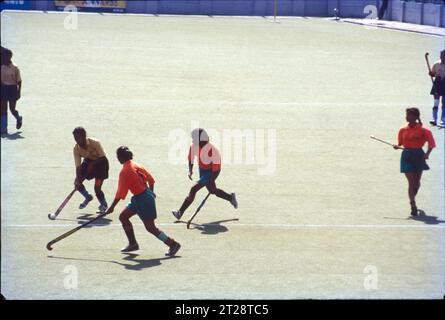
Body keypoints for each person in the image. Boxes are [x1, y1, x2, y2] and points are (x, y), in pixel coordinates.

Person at [105, 146, 181, 255]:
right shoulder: (137, 165)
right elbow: (151, 180)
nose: (117, 158)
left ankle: (173, 244)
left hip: (142, 199)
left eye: (118, 156)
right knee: (123, 217)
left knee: (151, 228)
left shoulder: (124, 171)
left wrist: (112, 207)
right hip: (141, 197)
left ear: (121, 157)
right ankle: (133, 244)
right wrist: (151, 193)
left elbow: (120, 193)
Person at [172, 128, 237, 220]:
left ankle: (180, 212)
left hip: (211, 172)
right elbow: (191, 158)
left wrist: (210, 180)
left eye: (195, 139)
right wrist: (190, 170)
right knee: (213, 190)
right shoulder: (194, 146)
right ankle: (230, 197)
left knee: (193, 189)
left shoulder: (214, 151)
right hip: (202, 169)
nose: (193, 141)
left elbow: (216, 171)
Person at [393, 108, 436, 216]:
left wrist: (427, 154)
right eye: (406, 115)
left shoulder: (424, 131)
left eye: (409, 115)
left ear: (416, 117)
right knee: (411, 182)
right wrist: (397, 146)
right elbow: (400, 143)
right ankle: (413, 204)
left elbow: (431, 144)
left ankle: (412, 196)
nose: (407, 117)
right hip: (407, 156)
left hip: (418, 156)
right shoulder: (402, 130)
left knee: (417, 183)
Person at [73, 127, 109, 213]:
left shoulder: (95, 143)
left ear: (84, 136)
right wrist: (79, 179)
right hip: (88, 162)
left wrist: (93, 164)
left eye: (79, 138)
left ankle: (104, 205)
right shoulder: (76, 149)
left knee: (97, 188)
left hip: (101, 164)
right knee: (76, 183)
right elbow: (78, 167)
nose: (77, 140)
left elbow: (103, 158)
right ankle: (88, 197)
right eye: (75, 138)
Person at [1, 48, 22, 134]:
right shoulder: (1, 67)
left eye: (5, 56)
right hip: (3, 89)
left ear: (9, 57)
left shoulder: (15, 68)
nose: (3, 58)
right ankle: (3, 128)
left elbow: (19, 81)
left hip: (12, 89)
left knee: (12, 109)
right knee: (3, 109)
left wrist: (19, 92)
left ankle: (18, 118)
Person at [429, 50, 445, 126]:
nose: (442, 57)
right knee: (436, 102)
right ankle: (434, 119)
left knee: (444, 103)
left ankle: (443, 119)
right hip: (437, 84)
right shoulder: (436, 64)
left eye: (443, 56)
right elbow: (433, 74)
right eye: (441, 55)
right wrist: (431, 74)